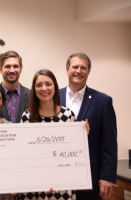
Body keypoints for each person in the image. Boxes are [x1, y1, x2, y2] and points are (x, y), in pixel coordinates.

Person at [18, 69, 89, 200]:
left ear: (55, 87)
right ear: (34, 90)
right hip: (34, 186)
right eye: (39, 85)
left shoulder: (68, 116)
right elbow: (24, 156)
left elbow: (72, 153)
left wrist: (82, 138)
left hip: (62, 185)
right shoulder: (27, 117)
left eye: (48, 84)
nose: (44, 88)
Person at [60, 53, 117, 200]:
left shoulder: (103, 101)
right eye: (75, 67)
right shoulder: (52, 97)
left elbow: (110, 143)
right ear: (67, 69)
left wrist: (107, 176)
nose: (78, 71)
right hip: (58, 178)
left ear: (89, 71)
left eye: (83, 68)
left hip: (90, 180)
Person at [0, 50, 30, 123]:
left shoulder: (32, 95)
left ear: (21, 69)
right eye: (7, 66)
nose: (12, 70)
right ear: (0, 69)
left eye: (15, 66)